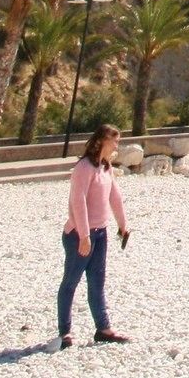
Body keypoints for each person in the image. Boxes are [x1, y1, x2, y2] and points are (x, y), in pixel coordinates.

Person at [58, 124, 132, 349]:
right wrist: (83, 235)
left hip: (100, 233)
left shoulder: (105, 167)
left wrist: (123, 225)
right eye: (114, 140)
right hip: (79, 235)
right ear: (102, 140)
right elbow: (77, 201)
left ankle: (103, 328)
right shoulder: (84, 167)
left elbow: (114, 196)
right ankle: (65, 332)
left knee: (97, 282)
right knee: (70, 282)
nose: (117, 145)